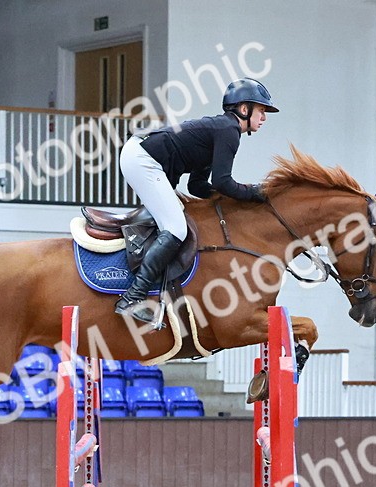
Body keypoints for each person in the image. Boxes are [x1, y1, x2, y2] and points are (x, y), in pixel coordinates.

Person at [114, 77, 279, 323]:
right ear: (244, 109)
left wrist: (232, 200)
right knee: (176, 228)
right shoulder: (229, 130)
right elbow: (224, 182)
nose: (264, 117)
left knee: (173, 220)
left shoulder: (223, 129)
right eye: (262, 110)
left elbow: (197, 185)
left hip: (142, 155)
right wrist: (256, 193)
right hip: (142, 159)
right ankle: (133, 296)